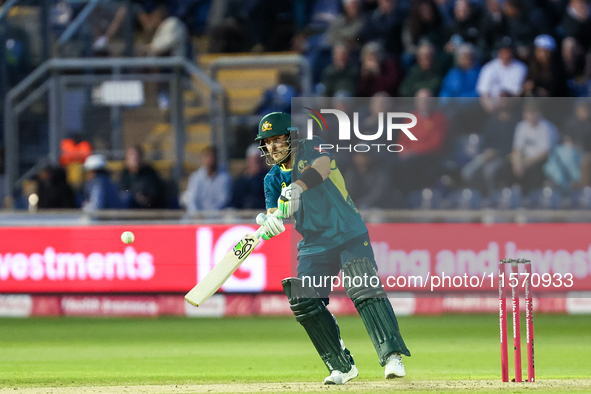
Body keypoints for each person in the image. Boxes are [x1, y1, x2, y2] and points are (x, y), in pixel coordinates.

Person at [253, 112, 410, 385]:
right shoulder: (271, 180)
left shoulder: (313, 145)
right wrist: (269, 222)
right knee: (303, 299)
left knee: (362, 284)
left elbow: (322, 168)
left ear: (291, 137)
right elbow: (275, 213)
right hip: (314, 243)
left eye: (278, 139)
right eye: (267, 142)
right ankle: (341, 366)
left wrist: (298, 187)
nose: (272, 147)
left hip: (347, 231)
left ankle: (392, 356)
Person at [183, 146, 232, 212]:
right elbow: (191, 199)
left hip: (218, 215)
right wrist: (196, 215)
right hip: (197, 216)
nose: (211, 159)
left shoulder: (225, 178)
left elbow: (223, 200)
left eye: (213, 157)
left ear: (217, 158)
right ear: (203, 159)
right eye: (208, 156)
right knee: (184, 221)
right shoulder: (195, 177)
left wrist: (210, 215)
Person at [230, 144, 267, 209]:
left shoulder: (269, 179)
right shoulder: (240, 180)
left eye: (259, 161)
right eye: (254, 160)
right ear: (248, 161)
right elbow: (235, 201)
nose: (257, 164)